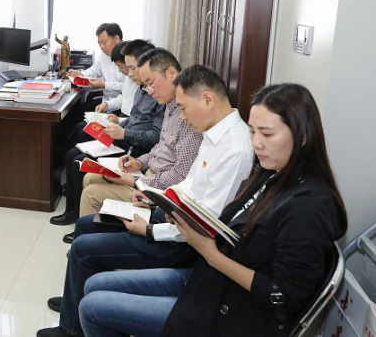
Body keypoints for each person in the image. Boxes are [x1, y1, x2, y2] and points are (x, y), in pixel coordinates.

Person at [79, 83, 347, 337]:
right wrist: (179, 213)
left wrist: (211, 254)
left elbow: (284, 295)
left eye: (267, 134)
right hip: (213, 281)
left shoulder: (309, 206)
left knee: (93, 307)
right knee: (94, 285)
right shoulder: (271, 175)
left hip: (235, 312)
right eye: (253, 132)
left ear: (303, 137)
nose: (256, 143)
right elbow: (226, 224)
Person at [38, 64, 253, 337]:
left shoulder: (234, 150)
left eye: (184, 108)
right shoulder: (215, 134)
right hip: (168, 218)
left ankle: (72, 328)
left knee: (83, 248)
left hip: (179, 242)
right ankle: (73, 311)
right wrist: (154, 199)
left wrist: (150, 229)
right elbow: (187, 187)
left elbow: (203, 226)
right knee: (86, 225)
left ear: (207, 100)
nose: (182, 116)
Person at [50, 40, 163, 229]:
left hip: (135, 149)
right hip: (127, 139)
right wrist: (118, 124)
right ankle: (73, 211)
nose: (128, 74)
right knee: (73, 152)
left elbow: (155, 136)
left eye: (131, 68)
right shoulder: (142, 90)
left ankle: (77, 215)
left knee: (78, 160)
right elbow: (134, 118)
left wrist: (124, 132)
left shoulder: (158, 95)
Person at [78, 48, 203, 217]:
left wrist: (135, 180)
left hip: (159, 189)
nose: (149, 91)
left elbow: (180, 176)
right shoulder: (170, 104)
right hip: (149, 174)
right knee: (90, 177)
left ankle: (93, 229)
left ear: (171, 74)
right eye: (146, 85)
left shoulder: (189, 114)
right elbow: (160, 147)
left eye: (151, 83)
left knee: (91, 193)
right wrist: (139, 163)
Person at [68, 23, 126, 114]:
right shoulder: (103, 56)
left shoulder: (129, 57)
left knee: (79, 121)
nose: (102, 47)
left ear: (116, 39)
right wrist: (81, 74)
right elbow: (94, 70)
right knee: (74, 113)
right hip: (105, 101)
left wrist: (104, 85)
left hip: (122, 106)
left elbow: (128, 87)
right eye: (99, 44)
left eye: (104, 43)